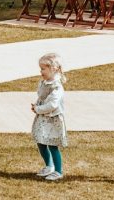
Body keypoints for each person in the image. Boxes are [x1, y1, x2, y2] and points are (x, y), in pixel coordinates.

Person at [31, 52, 68, 182]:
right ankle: (49, 165)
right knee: (41, 141)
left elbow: (52, 104)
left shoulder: (56, 87)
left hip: (52, 119)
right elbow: (42, 96)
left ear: (54, 69)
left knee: (52, 144)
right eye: (40, 68)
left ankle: (58, 171)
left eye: (43, 69)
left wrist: (38, 109)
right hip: (43, 118)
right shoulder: (44, 82)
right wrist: (37, 104)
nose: (41, 71)